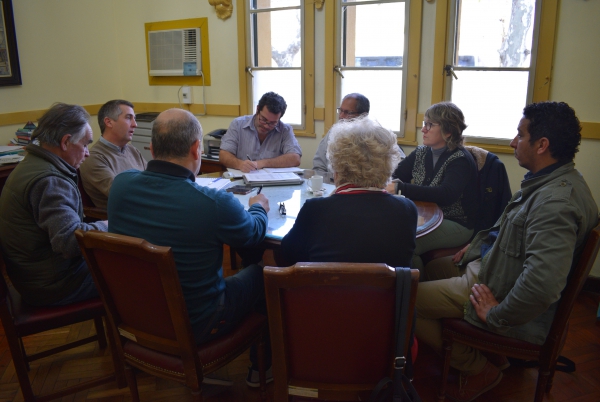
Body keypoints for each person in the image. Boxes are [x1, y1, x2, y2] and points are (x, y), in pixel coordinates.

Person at [416, 101, 598, 402]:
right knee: (432, 268)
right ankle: (486, 351)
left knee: (405, 298)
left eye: (520, 135)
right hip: (494, 268)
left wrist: (496, 315)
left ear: (542, 145)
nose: (513, 142)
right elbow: (515, 235)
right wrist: (475, 247)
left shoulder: (555, 204)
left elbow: (542, 284)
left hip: (495, 285)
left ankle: (477, 368)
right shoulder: (554, 181)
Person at [107, 108, 272, 387]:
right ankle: (261, 369)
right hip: (199, 322)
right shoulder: (214, 203)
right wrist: (258, 207)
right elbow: (252, 235)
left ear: (151, 148)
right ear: (197, 149)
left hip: (137, 314)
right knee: (262, 273)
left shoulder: (120, 186)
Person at [0, 103, 108, 306]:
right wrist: (107, 225)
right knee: (140, 274)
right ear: (65, 142)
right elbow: (68, 242)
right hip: (55, 285)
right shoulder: (49, 181)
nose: (87, 153)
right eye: (85, 144)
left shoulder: (32, 164)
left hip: (36, 277)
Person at [280, 116, 418, 267]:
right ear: (388, 166)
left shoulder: (315, 209)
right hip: (388, 284)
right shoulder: (407, 209)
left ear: (337, 166)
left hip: (327, 283)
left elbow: (286, 256)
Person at [387, 102, 478, 271]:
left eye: (429, 125)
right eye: (424, 123)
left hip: (455, 222)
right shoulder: (421, 152)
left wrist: (401, 188)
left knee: (406, 244)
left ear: (448, 131)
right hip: (426, 216)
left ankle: (415, 286)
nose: (423, 129)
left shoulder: (460, 159)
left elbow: (445, 194)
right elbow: (394, 175)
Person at [79, 100, 146, 209]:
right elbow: (123, 194)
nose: (135, 124)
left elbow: (152, 179)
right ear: (109, 122)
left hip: (144, 208)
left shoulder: (132, 150)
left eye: (134, 118)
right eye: (128, 118)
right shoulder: (94, 158)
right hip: (125, 215)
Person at [219, 91, 302, 173]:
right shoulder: (238, 124)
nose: (266, 126)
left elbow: (295, 158)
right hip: (242, 178)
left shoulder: (285, 130)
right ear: (257, 109)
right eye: (263, 119)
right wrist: (240, 164)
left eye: (273, 123)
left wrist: (262, 163)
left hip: (271, 180)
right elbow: (223, 155)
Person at [312, 93, 378, 177]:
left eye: (348, 112)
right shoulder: (334, 132)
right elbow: (318, 166)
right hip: (331, 182)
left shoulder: (374, 135)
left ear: (363, 115)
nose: (341, 116)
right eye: (340, 111)